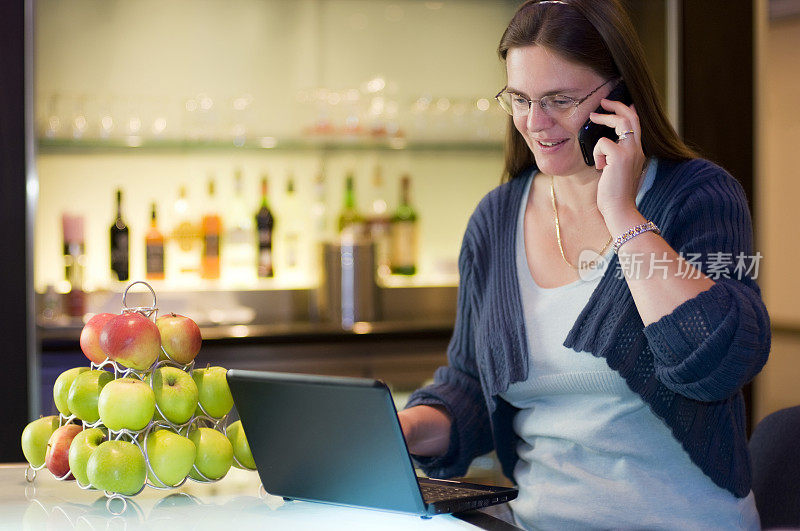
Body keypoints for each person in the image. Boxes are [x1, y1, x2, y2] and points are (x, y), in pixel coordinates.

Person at [397, 0, 771, 529]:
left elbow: (714, 367)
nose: (536, 123)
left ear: (618, 94)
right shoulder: (496, 217)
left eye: (560, 100)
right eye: (521, 99)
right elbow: (470, 386)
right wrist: (403, 427)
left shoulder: (698, 195)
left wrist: (622, 213)